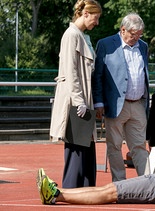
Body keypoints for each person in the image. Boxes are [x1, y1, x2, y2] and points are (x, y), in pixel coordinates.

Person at [49, 0, 102, 188]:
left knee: (86, 148)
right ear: (85, 14)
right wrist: (80, 101)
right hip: (75, 100)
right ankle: (72, 190)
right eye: (95, 18)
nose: (96, 23)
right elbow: (70, 71)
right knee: (76, 149)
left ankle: (86, 189)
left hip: (83, 100)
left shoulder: (82, 36)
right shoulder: (71, 35)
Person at [92, 13, 150, 181]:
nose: (137, 38)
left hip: (138, 103)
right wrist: (99, 102)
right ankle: (119, 184)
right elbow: (98, 76)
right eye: (133, 34)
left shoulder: (143, 46)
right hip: (115, 104)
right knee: (114, 146)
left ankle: (147, 183)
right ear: (123, 30)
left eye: (140, 34)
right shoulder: (105, 44)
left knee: (139, 146)